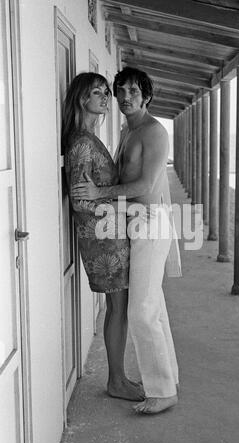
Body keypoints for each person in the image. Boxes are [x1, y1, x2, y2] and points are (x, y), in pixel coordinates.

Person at [71, 67, 179, 414]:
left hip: (149, 223)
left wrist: (99, 192)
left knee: (141, 310)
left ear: (146, 96)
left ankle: (162, 392)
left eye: (133, 91)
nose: (125, 97)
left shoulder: (153, 132)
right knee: (153, 308)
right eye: (120, 91)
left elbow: (145, 186)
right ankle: (168, 379)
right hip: (133, 224)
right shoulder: (127, 131)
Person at [61, 72, 145, 402]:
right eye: (99, 92)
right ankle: (117, 380)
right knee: (118, 308)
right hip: (102, 240)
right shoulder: (82, 142)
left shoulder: (88, 137)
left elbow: (92, 194)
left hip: (108, 235)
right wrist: (124, 210)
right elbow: (81, 201)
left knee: (118, 308)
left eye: (106, 93)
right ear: (83, 98)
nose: (106, 98)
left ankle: (118, 377)